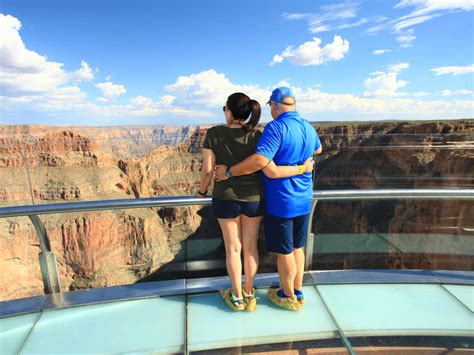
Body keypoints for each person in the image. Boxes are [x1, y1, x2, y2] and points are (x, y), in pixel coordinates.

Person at [197, 92, 314, 312]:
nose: (224, 112)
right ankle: (250, 294)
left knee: (233, 248)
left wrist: (202, 191)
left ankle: (237, 297)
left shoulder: (213, 134)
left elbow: (208, 170)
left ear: (229, 111)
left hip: (225, 197)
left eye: (225, 108)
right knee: (250, 248)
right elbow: (265, 163)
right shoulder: (258, 135)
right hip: (254, 197)